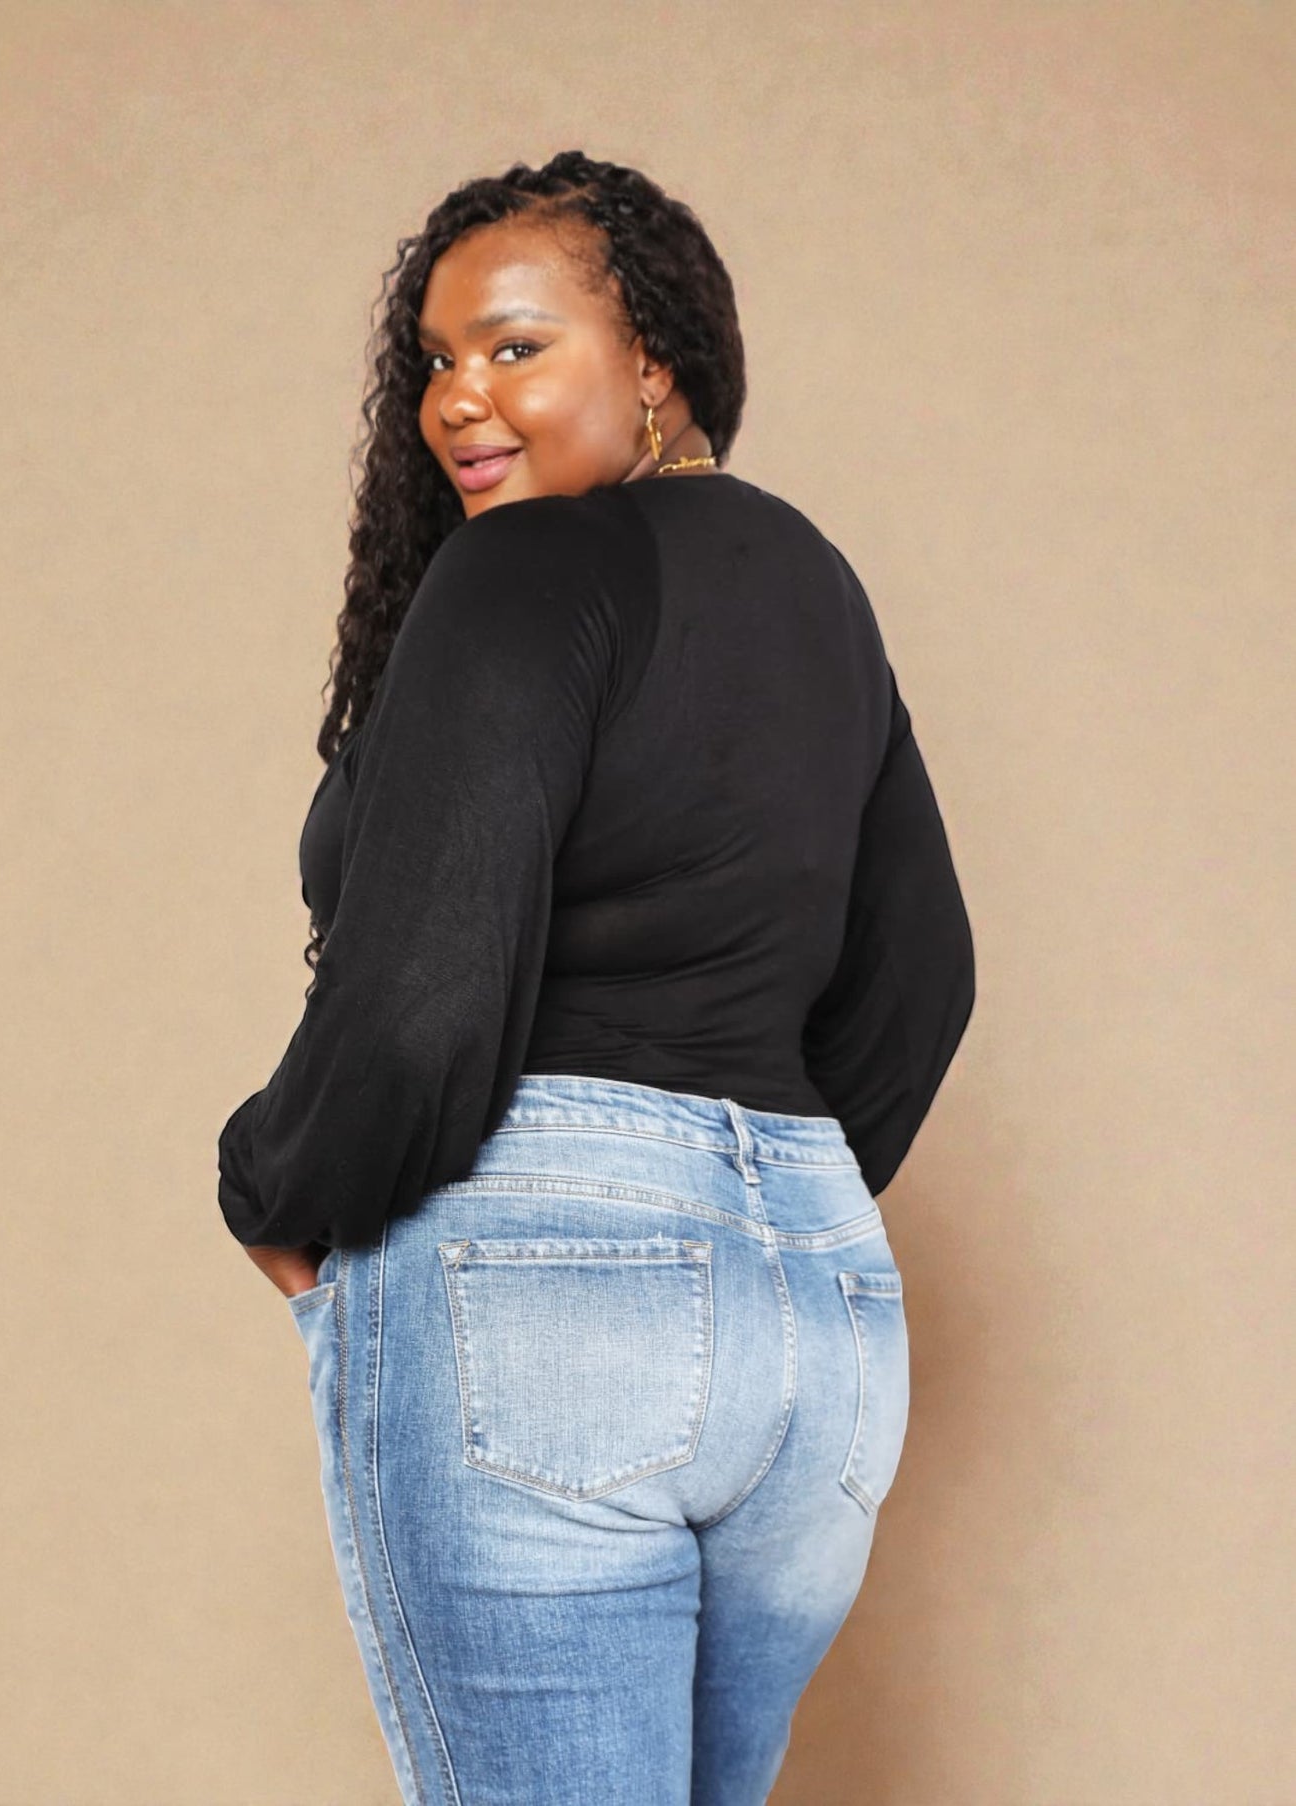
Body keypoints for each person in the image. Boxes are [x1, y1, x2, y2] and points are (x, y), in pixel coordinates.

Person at [217, 150, 975, 1806]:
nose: (455, 400)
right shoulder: (814, 588)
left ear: (655, 363)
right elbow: (923, 976)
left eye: (511, 345)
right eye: (434, 359)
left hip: (545, 1290)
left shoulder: (524, 569)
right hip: (816, 1329)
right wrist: (741, 1205)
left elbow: (421, 999)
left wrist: (271, 1179)